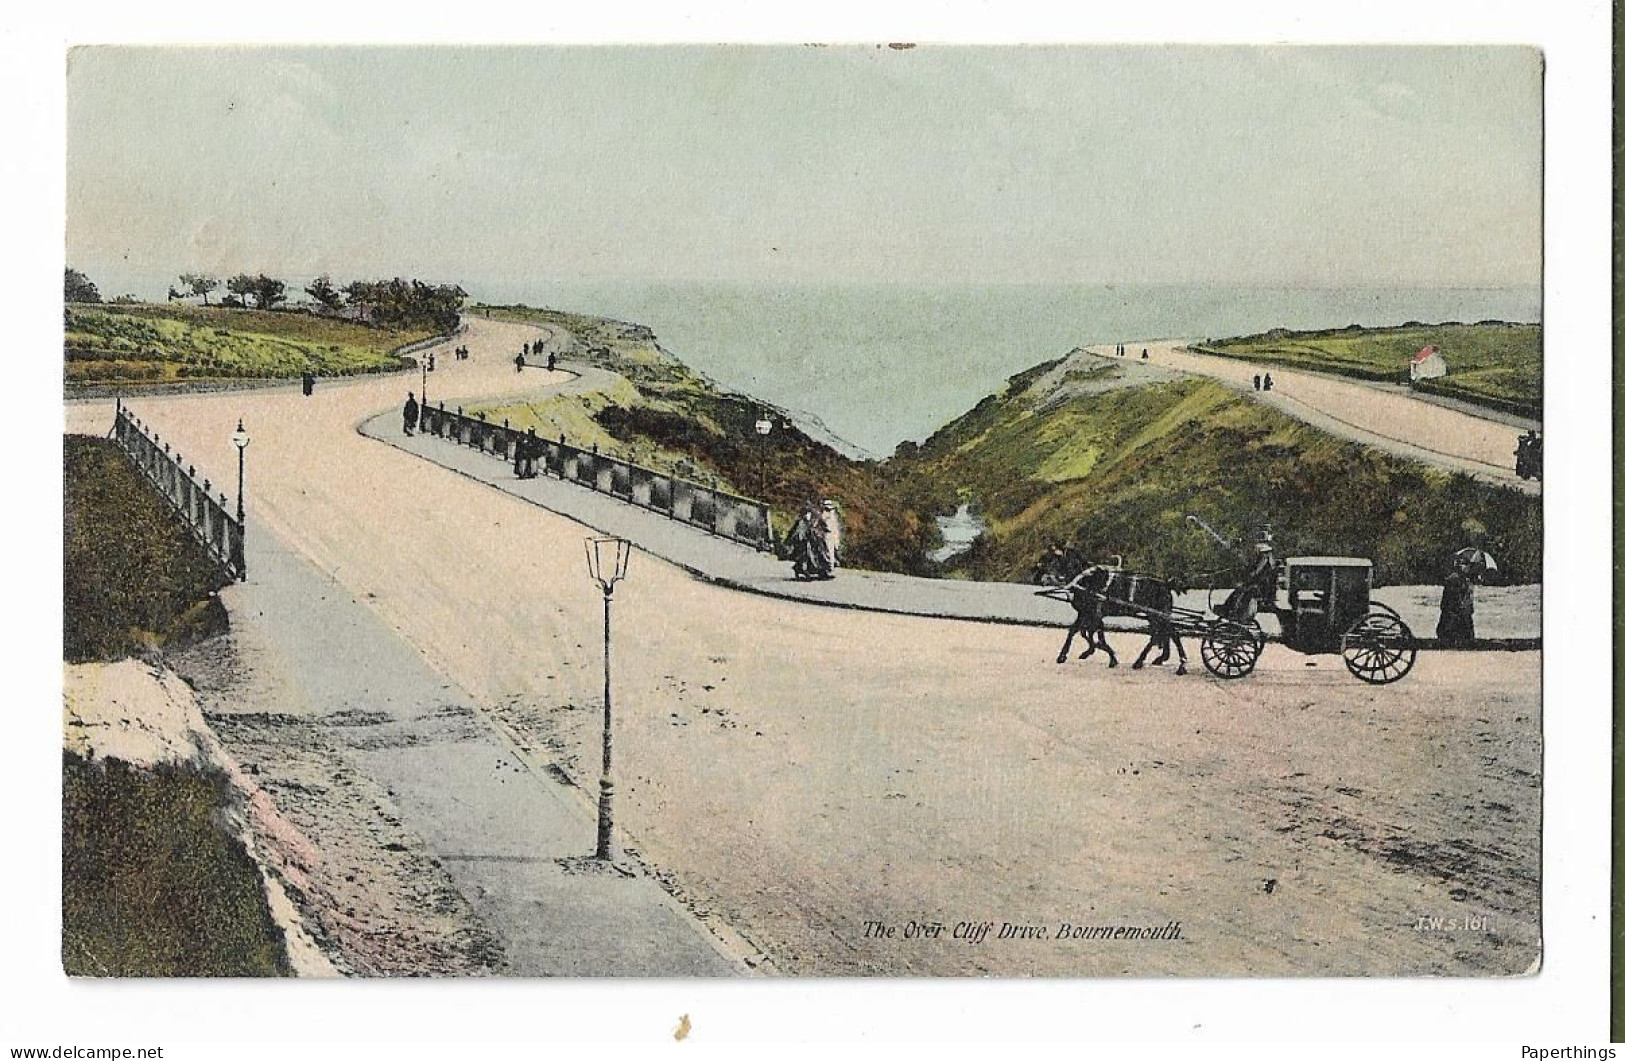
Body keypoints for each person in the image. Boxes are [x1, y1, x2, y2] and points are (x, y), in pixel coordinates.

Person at [1220, 540, 1277, 622]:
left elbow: (1255, 573)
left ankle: (1232, 612)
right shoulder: (1268, 560)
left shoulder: (1264, 560)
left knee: (1242, 591)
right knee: (1239, 591)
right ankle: (1228, 610)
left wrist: (1246, 580)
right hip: (1262, 586)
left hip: (1262, 588)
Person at [1436, 556, 1475, 646]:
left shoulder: (1464, 579)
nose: (1467, 568)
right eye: (1465, 565)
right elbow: (1452, 598)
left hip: (1458, 610)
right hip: (1454, 611)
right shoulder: (1455, 579)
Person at [810, 499, 842, 580]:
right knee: (826, 553)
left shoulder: (831, 515)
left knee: (830, 553)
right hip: (825, 535)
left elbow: (835, 528)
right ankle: (826, 571)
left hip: (831, 535)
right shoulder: (824, 515)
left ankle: (829, 570)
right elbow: (815, 525)